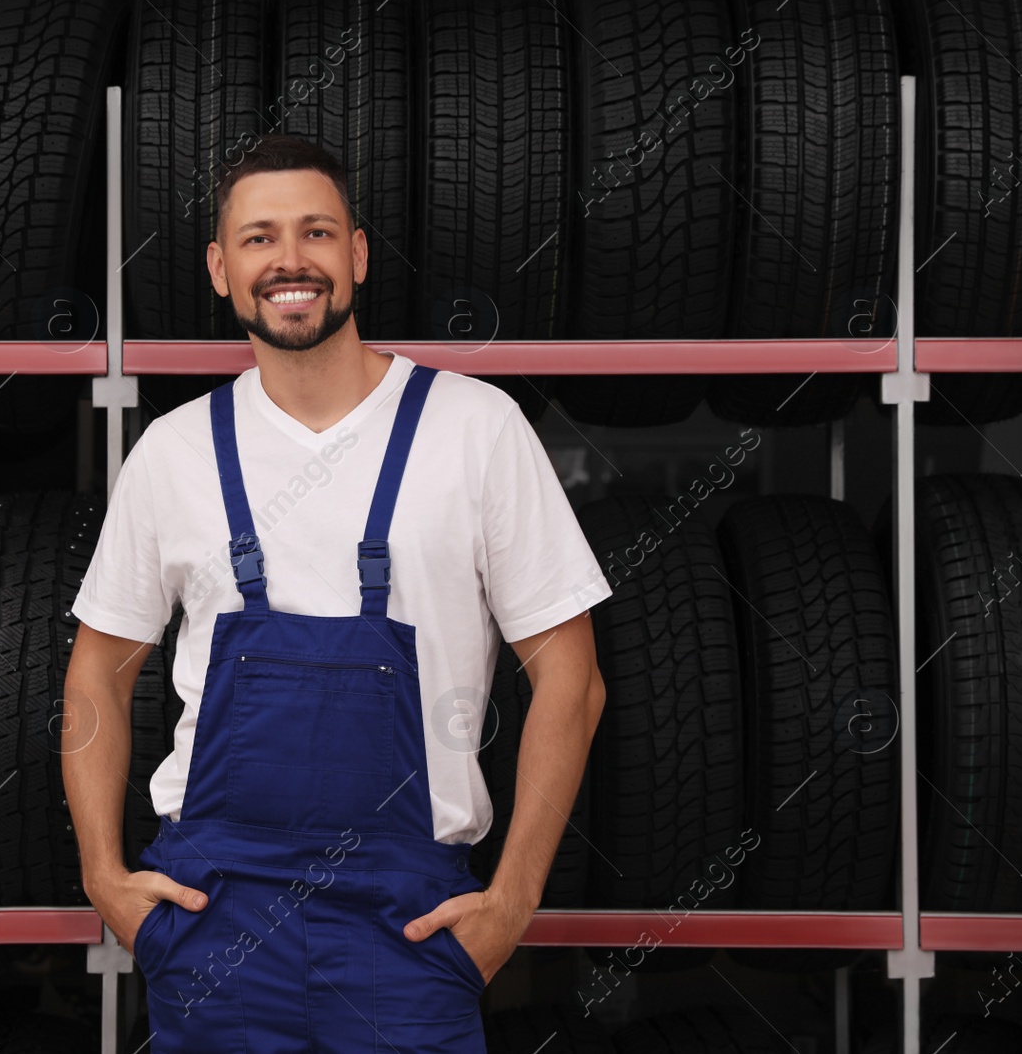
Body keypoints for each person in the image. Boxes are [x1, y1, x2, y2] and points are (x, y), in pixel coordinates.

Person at [61, 133, 612, 1052]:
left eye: (316, 232)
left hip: (407, 931)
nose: (290, 260)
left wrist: (511, 901)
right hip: (212, 920)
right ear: (219, 269)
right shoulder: (174, 449)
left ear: (356, 254)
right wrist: (104, 879)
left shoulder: (476, 428)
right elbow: (93, 679)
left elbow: (572, 678)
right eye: (258, 238)